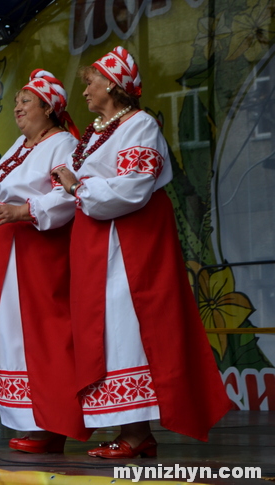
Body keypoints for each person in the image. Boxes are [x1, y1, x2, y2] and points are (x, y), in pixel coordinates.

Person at [54, 47, 232, 458]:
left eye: (92, 81)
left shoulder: (140, 125)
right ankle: (127, 428)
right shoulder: (100, 130)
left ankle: (136, 433)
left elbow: (133, 187)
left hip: (129, 246)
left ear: (114, 86)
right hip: (100, 244)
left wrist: (77, 186)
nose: (86, 90)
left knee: (128, 329)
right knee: (107, 330)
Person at [0, 69, 89, 453]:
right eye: (15, 102)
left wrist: (24, 210)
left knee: (43, 332)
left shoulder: (64, 144)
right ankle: (26, 419)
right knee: (10, 333)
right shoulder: (20, 147)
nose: (17, 108)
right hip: (4, 250)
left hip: (37, 250)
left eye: (26, 101)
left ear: (50, 107)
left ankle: (52, 421)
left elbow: (66, 197)